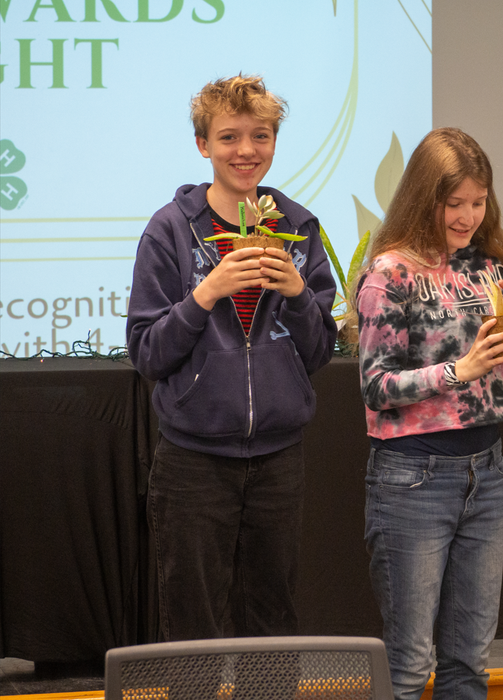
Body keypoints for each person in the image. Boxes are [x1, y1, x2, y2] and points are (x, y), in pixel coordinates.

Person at [126, 75, 337, 640]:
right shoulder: (171, 230)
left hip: (278, 459)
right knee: (192, 626)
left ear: (274, 143)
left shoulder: (296, 229)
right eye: (228, 137)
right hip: (193, 460)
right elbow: (146, 352)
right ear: (203, 146)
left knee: (273, 621)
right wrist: (205, 294)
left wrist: (296, 295)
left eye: (260, 136)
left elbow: (318, 352)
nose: (246, 151)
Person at [355, 127, 503, 700]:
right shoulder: (391, 273)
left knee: (470, 662)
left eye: (478, 202)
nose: (467, 217)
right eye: (453, 203)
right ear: (424, 198)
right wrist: (457, 371)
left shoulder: (491, 268)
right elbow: (376, 385)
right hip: (412, 477)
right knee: (411, 667)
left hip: (486, 472)